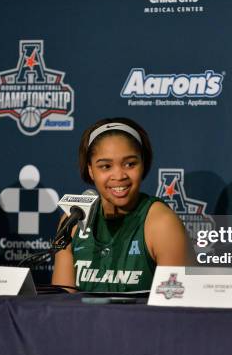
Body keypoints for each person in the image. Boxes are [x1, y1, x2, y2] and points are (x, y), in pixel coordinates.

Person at [51, 118, 187, 291]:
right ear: (91, 170)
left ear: (143, 164)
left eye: (130, 164)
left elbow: (176, 308)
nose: (119, 175)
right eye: (106, 166)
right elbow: (61, 304)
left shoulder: (162, 223)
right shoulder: (73, 219)